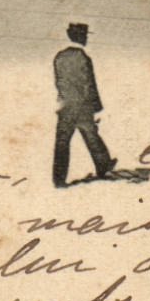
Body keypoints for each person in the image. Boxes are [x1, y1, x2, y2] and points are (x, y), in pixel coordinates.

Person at [52, 22, 116, 187]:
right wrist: (96, 107)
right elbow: (89, 85)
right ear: (80, 37)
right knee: (92, 137)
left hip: (65, 107)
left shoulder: (59, 57)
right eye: (85, 35)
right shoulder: (83, 58)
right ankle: (104, 167)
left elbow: (59, 83)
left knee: (62, 143)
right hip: (82, 107)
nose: (86, 38)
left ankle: (59, 179)